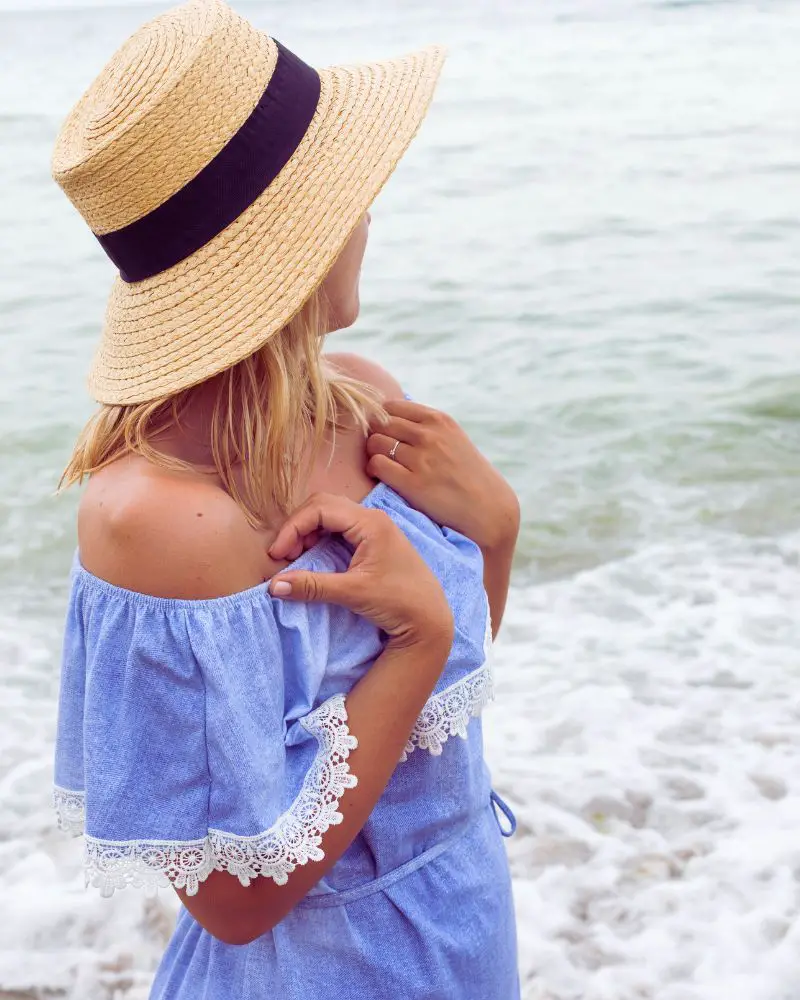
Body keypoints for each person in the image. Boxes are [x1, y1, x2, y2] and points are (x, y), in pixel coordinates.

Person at [50, 1, 522, 997]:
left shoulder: (362, 397)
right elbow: (233, 900)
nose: (366, 215)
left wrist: (494, 531)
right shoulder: (160, 516)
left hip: (462, 914)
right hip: (322, 968)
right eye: (345, 193)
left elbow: (443, 724)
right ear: (289, 239)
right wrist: (417, 637)